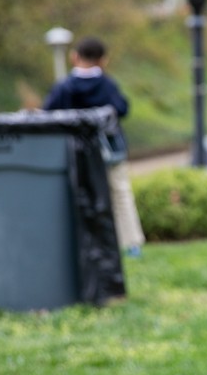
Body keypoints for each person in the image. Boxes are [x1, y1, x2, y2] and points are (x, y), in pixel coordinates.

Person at [43, 37, 146, 257]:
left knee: (76, 195)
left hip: (72, 152)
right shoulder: (108, 85)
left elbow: (48, 114)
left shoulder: (64, 87)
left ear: (74, 57)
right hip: (109, 151)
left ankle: (79, 243)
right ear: (104, 60)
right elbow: (122, 109)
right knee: (120, 193)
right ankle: (131, 244)